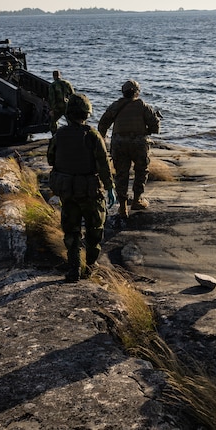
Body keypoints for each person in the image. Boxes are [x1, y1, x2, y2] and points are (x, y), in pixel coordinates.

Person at [47, 93, 115, 283]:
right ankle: (90, 266)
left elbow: (51, 159)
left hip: (68, 192)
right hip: (90, 192)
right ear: (87, 113)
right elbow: (103, 164)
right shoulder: (93, 135)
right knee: (95, 230)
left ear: (68, 114)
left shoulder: (58, 135)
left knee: (72, 232)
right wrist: (110, 188)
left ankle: (74, 269)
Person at [97, 79, 161, 219]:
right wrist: (147, 129)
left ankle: (122, 207)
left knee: (121, 174)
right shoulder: (143, 106)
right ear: (137, 92)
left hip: (119, 144)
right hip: (139, 144)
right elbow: (155, 127)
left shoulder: (116, 106)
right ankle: (137, 200)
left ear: (123, 92)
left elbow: (102, 124)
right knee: (141, 170)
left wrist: (103, 139)